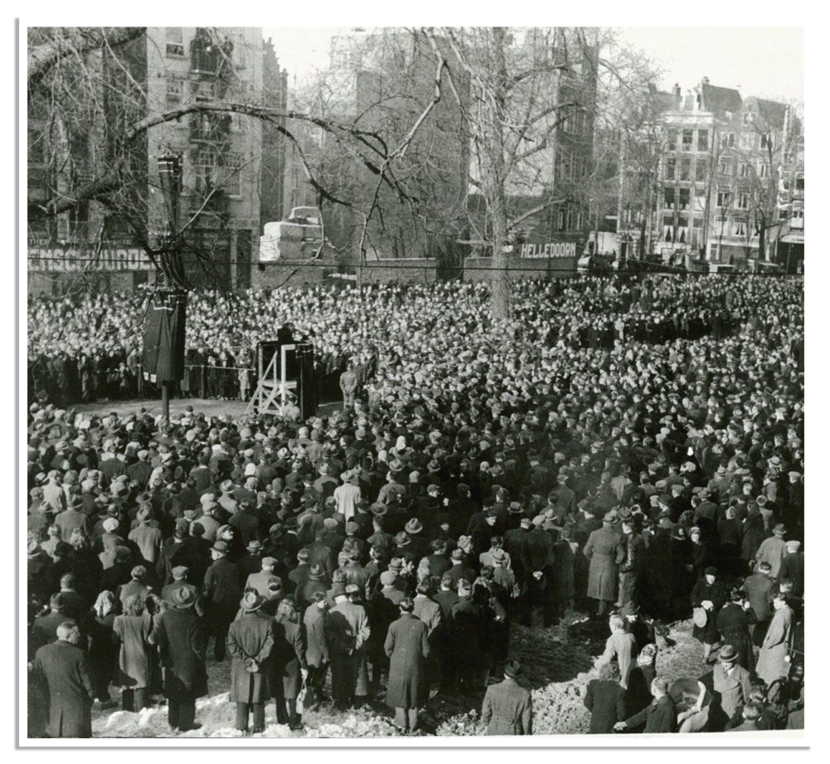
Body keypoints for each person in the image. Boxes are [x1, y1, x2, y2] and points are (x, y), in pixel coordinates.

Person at [149, 586, 208, 732]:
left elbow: (162, 641)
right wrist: (200, 661)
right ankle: (186, 725)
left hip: (171, 660)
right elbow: (197, 647)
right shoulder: (193, 620)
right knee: (188, 694)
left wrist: (162, 658)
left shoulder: (166, 616)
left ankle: (173, 722)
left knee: (173, 691)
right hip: (188, 663)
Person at [29, 621, 94, 738]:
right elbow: (89, 684)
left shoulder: (42, 652)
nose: (79, 636)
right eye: (77, 633)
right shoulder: (80, 654)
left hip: (51, 711)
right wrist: (90, 699)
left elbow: (37, 679)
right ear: (68, 636)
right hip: (76, 711)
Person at [227, 591, 275, 734]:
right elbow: (269, 644)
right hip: (260, 665)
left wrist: (247, 660)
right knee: (258, 695)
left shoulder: (234, 625)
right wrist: (257, 659)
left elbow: (232, 647)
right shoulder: (266, 624)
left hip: (241, 665)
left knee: (241, 696)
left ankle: (241, 726)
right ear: (258, 607)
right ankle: (259, 726)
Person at [385, 597, 431, 733]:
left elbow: (387, 647)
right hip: (416, 663)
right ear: (413, 608)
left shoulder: (394, 625)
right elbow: (426, 650)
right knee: (414, 690)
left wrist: (393, 656)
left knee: (400, 691)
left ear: (400, 608)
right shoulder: (421, 625)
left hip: (398, 663)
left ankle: (401, 722)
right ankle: (413, 723)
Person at [326, 584, 370, 710]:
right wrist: (356, 645)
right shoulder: (360, 609)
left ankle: (342, 703)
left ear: (337, 598)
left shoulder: (331, 612)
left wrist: (344, 648)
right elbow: (365, 630)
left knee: (341, 676)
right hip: (357, 648)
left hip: (339, 651)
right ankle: (358, 702)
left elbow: (330, 635)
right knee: (358, 675)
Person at [112, 593, 155, 712]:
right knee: (141, 685)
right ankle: (142, 711)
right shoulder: (146, 619)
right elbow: (150, 639)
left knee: (127, 684)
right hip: (141, 655)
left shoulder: (118, 620)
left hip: (125, 656)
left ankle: (127, 711)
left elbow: (114, 640)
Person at [271, 597, 308, 729]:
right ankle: (294, 722)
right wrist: (304, 666)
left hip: (275, 663)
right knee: (293, 695)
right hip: (291, 665)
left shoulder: (271, 623)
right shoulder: (295, 628)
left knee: (279, 693)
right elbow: (300, 651)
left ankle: (281, 718)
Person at [584, 513, 625, 618]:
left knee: (593, 589)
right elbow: (621, 555)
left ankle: (591, 615)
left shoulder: (594, 534)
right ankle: (603, 615)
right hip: (609, 564)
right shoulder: (617, 537)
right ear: (613, 524)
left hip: (595, 563)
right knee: (605, 592)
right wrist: (615, 562)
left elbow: (586, 551)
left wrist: (593, 558)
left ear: (603, 522)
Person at [481, 660, 533, 735]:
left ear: (504, 674)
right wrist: (527, 734)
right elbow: (526, 719)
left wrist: (486, 722)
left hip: (494, 728)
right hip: (514, 731)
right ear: (518, 677)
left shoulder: (491, 689)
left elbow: (486, 711)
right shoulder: (525, 694)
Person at [756, 593, 794, 686]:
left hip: (775, 650)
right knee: (780, 672)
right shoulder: (790, 611)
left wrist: (767, 645)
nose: (774, 604)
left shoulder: (780, 615)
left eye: (776, 602)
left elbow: (777, 635)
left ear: (783, 602)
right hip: (785, 647)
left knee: (770, 675)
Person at [584, 661, 627, 734]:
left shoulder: (593, 684)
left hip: (595, 722)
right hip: (610, 725)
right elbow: (621, 714)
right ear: (617, 674)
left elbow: (587, 703)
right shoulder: (620, 690)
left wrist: (597, 711)